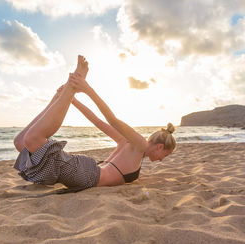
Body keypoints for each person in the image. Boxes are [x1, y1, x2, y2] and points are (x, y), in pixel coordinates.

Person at [13, 55, 176, 193]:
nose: (162, 160)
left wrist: (74, 101)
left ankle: (60, 97)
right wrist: (86, 89)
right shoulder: (139, 143)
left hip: (84, 171)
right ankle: (69, 90)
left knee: (20, 142)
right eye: (166, 155)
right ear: (160, 147)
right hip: (87, 174)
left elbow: (97, 121)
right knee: (32, 139)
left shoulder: (126, 143)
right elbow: (111, 119)